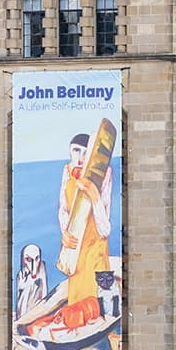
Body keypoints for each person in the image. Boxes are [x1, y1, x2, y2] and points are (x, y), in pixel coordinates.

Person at [54, 131, 114, 326]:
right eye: (75, 151)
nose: (79, 158)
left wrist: (94, 195)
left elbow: (105, 229)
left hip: (95, 252)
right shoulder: (67, 171)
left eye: (85, 153)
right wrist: (65, 232)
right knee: (75, 315)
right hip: (75, 254)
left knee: (96, 314)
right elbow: (63, 209)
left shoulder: (106, 174)